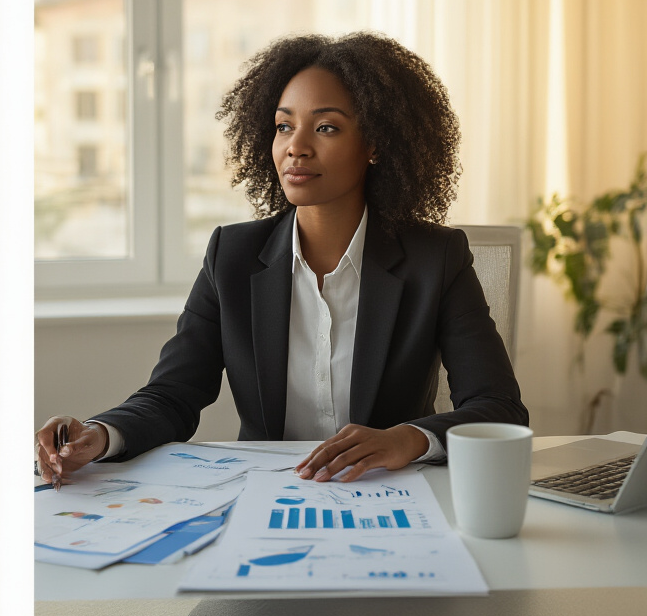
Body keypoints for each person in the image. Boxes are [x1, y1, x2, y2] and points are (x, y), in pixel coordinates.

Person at [37, 31, 527, 485]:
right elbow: (172, 395)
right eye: (283, 126)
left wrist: (406, 438)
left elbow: (498, 407)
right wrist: (98, 435)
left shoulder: (435, 258)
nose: (296, 147)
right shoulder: (231, 255)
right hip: (267, 491)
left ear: (376, 144)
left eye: (327, 127)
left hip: (390, 492)